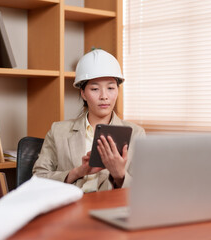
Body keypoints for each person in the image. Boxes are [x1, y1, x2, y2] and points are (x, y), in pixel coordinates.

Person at [33, 49, 145, 192]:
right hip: (71, 208)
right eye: (95, 89)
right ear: (83, 93)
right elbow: (38, 178)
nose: (104, 96)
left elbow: (143, 189)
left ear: (117, 91)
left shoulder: (136, 134)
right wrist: (78, 172)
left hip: (110, 210)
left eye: (110, 88)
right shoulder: (58, 131)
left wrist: (119, 174)